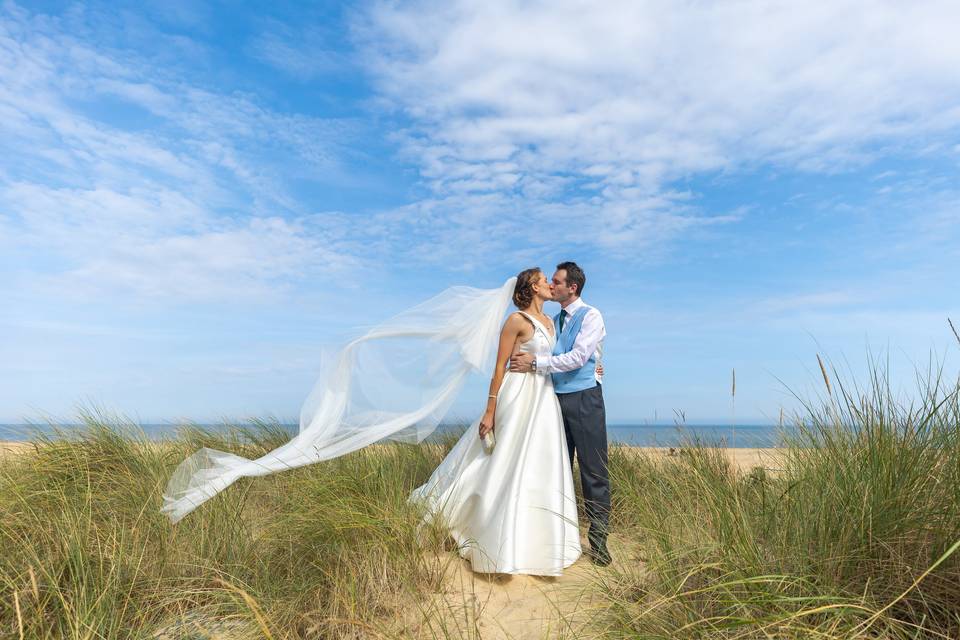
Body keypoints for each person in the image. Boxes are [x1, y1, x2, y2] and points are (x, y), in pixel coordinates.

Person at [410, 268, 582, 575]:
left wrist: (596, 367)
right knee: (502, 459)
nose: (549, 285)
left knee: (538, 463)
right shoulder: (516, 320)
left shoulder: (550, 322)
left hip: (544, 398)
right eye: (544, 280)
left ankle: (539, 540)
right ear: (532, 287)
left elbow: (563, 357)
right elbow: (499, 367)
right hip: (516, 396)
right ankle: (485, 528)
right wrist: (490, 409)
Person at [508, 261, 611, 566]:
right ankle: (558, 539)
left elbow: (579, 357)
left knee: (593, 471)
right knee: (557, 469)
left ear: (572, 287)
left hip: (584, 399)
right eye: (550, 281)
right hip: (552, 401)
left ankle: (599, 542)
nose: (552, 286)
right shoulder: (553, 320)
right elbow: (551, 352)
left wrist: (536, 364)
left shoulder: (591, 316)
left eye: (557, 282)